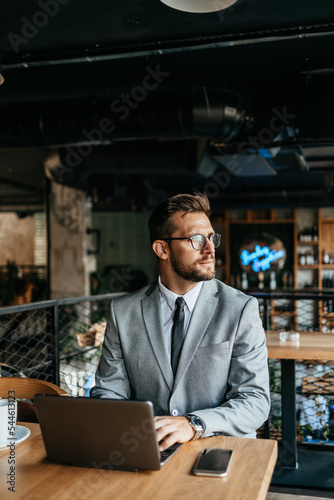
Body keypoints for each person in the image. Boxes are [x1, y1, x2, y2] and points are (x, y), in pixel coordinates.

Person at [91, 192, 270, 451]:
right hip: (148, 451)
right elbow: (109, 392)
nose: (210, 250)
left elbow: (254, 401)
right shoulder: (123, 311)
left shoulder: (240, 309)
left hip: (217, 448)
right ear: (162, 249)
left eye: (211, 238)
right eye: (196, 240)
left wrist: (193, 424)